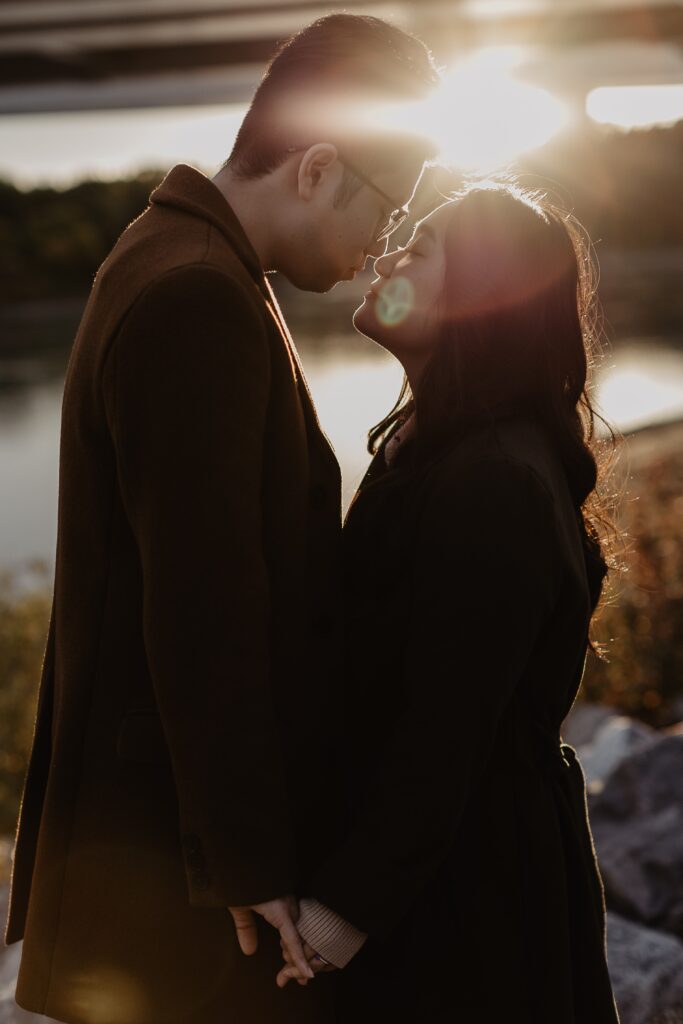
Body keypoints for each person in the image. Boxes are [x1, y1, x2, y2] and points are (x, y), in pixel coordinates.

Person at [3, 14, 438, 1024]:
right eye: (383, 214)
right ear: (318, 166)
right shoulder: (196, 296)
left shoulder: (178, 255)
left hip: (166, 857)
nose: (382, 245)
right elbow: (203, 609)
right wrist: (250, 860)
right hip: (174, 879)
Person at [277, 182, 623, 1023]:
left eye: (420, 249)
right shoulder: (429, 449)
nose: (386, 255)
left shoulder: (494, 482)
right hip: (436, 881)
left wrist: (333, 922)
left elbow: (445, 736)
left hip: (472, 900)